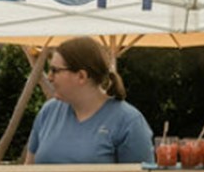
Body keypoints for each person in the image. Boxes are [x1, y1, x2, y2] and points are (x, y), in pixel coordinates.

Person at [25, 37, 153, 164]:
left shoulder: (129, 122)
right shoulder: (48, 112)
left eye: (55, 70)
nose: (49, 77)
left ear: (81, 76)